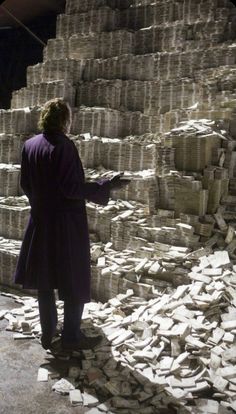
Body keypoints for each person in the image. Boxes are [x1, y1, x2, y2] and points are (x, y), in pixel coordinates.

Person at [14, 98, 129, 352]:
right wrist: (105, 185)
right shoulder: (63, 146)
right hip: (65, 225)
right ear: (64, 120)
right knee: (73, 279)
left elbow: (25, 185)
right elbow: (70, 188)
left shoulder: (30, 145)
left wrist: (40, 203)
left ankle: (48, 334)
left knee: (45, 281)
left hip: (40, 222)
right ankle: (71, 338)